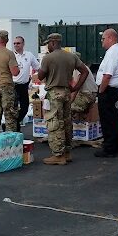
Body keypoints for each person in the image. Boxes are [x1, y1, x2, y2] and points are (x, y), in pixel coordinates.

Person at [37, 33, 88, 165]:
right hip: (66, 92)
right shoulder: (71, 56)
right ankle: (67, 152)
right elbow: (85, 71)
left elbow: (40, 76)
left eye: (48, 44)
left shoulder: (48, 58)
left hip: (54, 93)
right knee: (66, 122)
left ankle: (58, 155)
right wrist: (76, 87)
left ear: (53, 43)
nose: (47, 46)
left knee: (54, 122)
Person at [95, 29, 118, 158]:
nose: (102, 42)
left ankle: (109, 148)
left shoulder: (112, 52)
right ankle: (117, 145)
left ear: (110, 38)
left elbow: (107, 75)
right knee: (116, 119)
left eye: (103, 39)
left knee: (108, 120)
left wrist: (101, 90)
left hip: (109, 90)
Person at [12, 36, 40, 131]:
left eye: (18, 43)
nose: (16, 45)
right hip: (13, 86)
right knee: (13, 108)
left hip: (24, 85)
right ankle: (14, 127)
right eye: (14, 43)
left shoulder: (29, 55)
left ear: (23, 44)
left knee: (25, 108)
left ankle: (15, 123)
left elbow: (37, 67)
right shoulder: (11, 56)